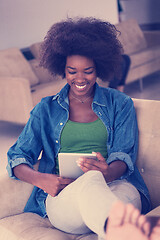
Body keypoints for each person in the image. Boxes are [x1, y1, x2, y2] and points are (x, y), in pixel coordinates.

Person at [7, 17, 151, 239]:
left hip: (117, 187)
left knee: (95, 182)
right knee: (91, 183)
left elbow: (124, 154)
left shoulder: (120, 103)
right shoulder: (45, 109)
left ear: (99, 69)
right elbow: (17, 157)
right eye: (72, 71)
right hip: (64, 197)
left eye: (89, 71)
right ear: (62, 71)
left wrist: (108, 172)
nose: (80, 78)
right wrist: (42, 180)